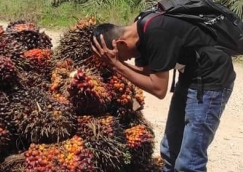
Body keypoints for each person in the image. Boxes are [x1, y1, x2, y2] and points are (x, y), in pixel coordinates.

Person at [91, 13, 235, 172]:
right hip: (189, 76)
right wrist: (115, 64)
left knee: (189, 161)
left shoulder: (155, 34)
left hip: (210, 81)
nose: (125, 60)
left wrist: (117, 66)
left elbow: (159, 89)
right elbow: (146, 72)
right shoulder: (140, 30)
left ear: (121, 43)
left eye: (119, 56)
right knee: (169, 150)